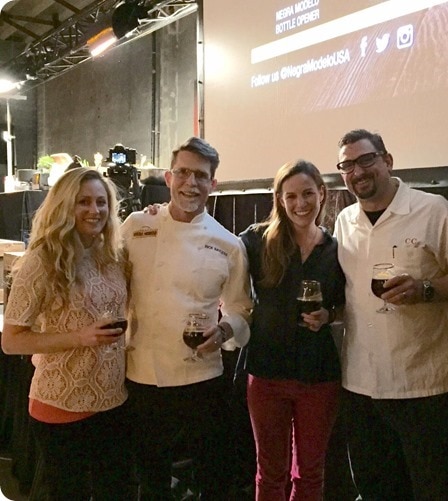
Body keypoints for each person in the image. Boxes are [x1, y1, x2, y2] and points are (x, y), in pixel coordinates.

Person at [334, 129, 448, 500]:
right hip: (361, 384)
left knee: (434, 489)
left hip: (424, 383)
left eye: (366, 160)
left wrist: (425, 290)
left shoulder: (433, 210)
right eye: (347, 165)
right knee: (375, 489)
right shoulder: (344, 220)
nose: (358, 171)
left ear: (387, 161)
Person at [121, 136, 253, 500]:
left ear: (213, 184)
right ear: (168, 178)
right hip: (142, 374)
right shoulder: (135, 226)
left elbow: (242, 308)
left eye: (200, 175)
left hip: (201, 377)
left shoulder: (228, 243)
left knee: (211, 477)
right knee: (151, 479)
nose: (190, 183)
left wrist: (224, 329)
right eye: (182, 173)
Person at [1, 168, 133, 500]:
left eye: (101, 202)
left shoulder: (113, 255)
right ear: (64, 206)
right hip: (61, 403)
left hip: (113, 400)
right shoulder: (42, 259)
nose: (95, 210)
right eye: (83, 202)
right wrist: (79, 337)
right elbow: (11, 340)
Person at [239, 160, 345, 500]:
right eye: (292, 196)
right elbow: (212, 251)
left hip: (319, 374)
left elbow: (346, 304)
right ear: (280, 200)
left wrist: (328, 315)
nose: (301, 203)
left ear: (322, 194)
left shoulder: (335, 248)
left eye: (308, 193)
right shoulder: (256, 240)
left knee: (310, 473)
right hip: (267, 373)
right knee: (270, 473)